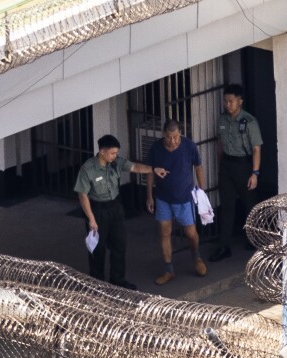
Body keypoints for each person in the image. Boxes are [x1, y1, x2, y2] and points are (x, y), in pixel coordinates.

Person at [75, 134, 167, 290]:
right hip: (97, 209)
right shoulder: (88, 169)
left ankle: (118, 280)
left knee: (119, 245)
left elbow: (134, 167)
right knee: (98, 249)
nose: (115, 156)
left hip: (115, 207)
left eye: (116, 153)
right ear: (102, 151)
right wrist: (91, 219)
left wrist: (153, 169)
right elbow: (82, 195)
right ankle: (97, 284)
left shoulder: (116, 163)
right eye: (112, 153)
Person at [146, 119, 207, 285]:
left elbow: (198, 167)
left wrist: (202, 191)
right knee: (164, 233)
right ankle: (168, 270)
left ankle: (196, 258)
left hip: (184, 198)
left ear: (180, 134)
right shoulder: (156, 148)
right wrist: (149, 195)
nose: (172, 141)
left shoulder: (189, 146)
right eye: (168, 137)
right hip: (163, 198)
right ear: (163, 135)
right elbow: (150, 172)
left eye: (175, 137)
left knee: (191, 233)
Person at [209, 84, 263, 262]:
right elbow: (219, 145)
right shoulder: (222, 120)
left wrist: (254, 173)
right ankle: (224, 246)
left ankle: (254, 240)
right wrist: (220, 166)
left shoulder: (249, 121)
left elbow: (256, 149)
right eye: (225, 101)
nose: (228, 105)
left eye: (231, 101)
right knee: (227, 206)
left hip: (244, 165)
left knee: (250, 204)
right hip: (227, 165)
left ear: (240, 101)